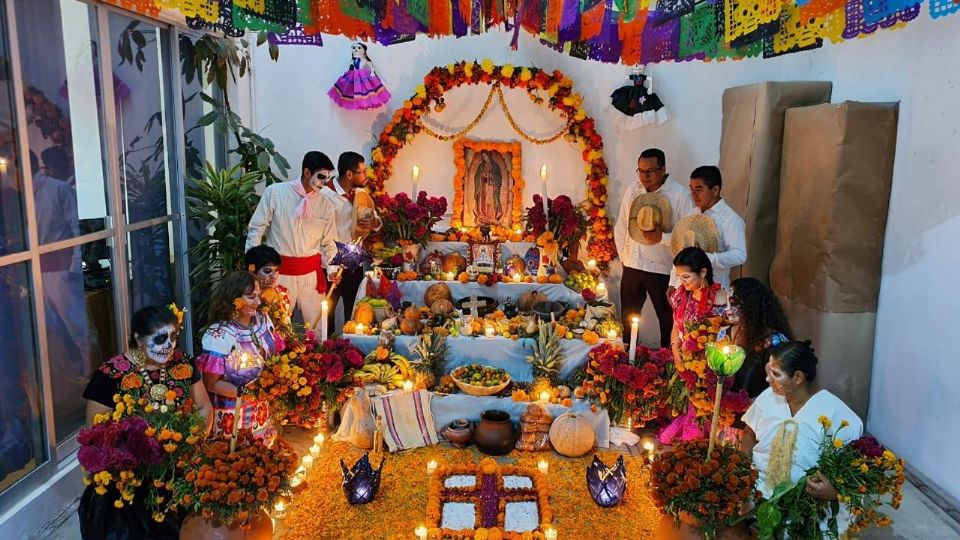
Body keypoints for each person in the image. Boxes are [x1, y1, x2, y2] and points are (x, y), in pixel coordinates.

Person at [79, 305, 213, 540]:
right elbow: (96, 433)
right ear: (139, 339)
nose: (169, 346)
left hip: (177, 469)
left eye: (173, 337)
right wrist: (134, 454)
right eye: (160, 338)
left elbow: (203, 407)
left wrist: (193, 439)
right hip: (131, 479)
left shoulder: (183, 363)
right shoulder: (111, 374)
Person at [742, 340, 863, 533]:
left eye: (775, 374)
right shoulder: (767, 397)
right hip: (754, 497)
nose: (768, 380)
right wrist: (742, 466)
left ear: (798, 377)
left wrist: (833, 492)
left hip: (804, 512)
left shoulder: (837, 415)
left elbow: (852, 474)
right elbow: (749, 433)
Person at [246, 151, 339, 327]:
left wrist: (332, 268)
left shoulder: (326, 204)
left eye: (327, 178)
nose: (324, 183)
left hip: (311, 275)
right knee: (276, 326)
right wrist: (253, 267)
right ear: (306, 172)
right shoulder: (275, 193)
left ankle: (319, 355)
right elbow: (256, 228)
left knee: (319, 329)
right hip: (279, 274)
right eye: (320, 177)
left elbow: (330, 242)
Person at [614, 148, 695, 347]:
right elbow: (622, 225)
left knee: (668, 321)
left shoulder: (680, 195)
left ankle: (667, 364)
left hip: (663, 269)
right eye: (641, 171)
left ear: (663, 169)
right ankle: (627, 362)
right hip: (632, 265)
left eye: (650, 171)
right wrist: (624, 258)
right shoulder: (633, 189)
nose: (644, 176)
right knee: (628, 319)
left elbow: (688, 236)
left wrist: (663, 238)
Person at [197, 272, 284, 444]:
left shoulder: (263, 320)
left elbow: (274, 357)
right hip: (232, 414)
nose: (258, 302)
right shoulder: (219, 335)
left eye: (258, 296)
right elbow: (211, 383)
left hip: (261, 409)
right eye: (251, 297)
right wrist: (250, 393)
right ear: (234, 299)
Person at [658, 246, 728, 444]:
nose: (682, 282)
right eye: (679, 276)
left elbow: (723, 337)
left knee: (693, 433)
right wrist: (675, 351)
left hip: (708, 369)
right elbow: (675, 328)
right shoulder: (680, 296)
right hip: (684, 363)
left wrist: (702, 361)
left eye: (686, 276)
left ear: (703, 272)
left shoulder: (719, 299)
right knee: (667, 437)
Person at [321, 151, 380, 337]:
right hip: (332, 262)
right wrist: (331, 264)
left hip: (354, 260)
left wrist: (373, 223)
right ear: (349, 174)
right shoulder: (325, 195)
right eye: (362, 172)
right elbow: (321, 234)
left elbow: (377, 221)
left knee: (354, 309)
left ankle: (350, 349)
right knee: (327, 310)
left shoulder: (361, 194)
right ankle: (327, 348)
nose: (366, 176)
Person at [724, 277, 793, 400]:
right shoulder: (729, 332)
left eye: (733, 304)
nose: (727, 309)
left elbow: (783, 391)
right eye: (727, 303)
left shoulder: (775, 343)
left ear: (752, 305)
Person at [683, 165, 746, 288]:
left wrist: (708, 258)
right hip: (688, 289)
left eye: (699, 189)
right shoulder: (692, 213)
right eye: (691, 189)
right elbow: (681, 249)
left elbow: (740, 255)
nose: (693, 195)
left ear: (715, 190)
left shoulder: (730, 219)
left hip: (715, 289)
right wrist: (674, 282)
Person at [244, 245, 297, 347]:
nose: (274, 276)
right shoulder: (243, 298)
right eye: (267, 271)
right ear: (252, 270)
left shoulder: (281, 293)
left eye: (276, 270)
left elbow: (286, 327)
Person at [327, 42, 392, 110]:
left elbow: (371, 68)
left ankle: (365, 101)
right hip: (353, 75)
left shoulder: (365, 60)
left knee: (365, 88)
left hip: (363, 75)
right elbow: (350, 67)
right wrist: (345, 73)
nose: (356, 50)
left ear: (364, 50)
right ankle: (355, 101)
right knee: (351, 88)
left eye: (359, 48)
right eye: (354, 48)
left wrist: (372, 73)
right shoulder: (353, 60)